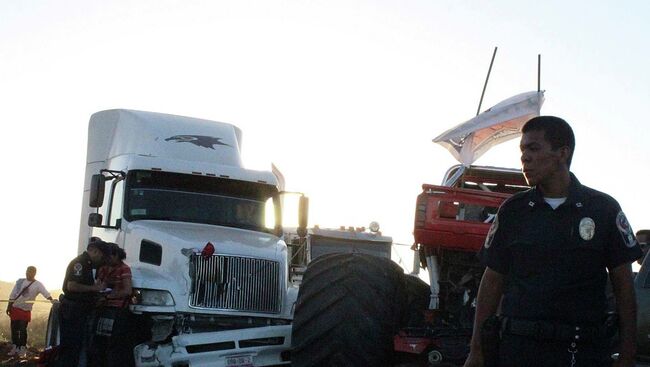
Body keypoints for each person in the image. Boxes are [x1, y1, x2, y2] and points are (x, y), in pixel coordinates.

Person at [463, 116, 643, 367]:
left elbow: (624, 288)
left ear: (562, 153)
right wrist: (476, 351)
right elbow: (492, 281)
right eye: (522, 150)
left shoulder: (603, 210)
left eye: (533, 148)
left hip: (580, 353)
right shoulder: (513, 211)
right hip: (519, 351)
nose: (524, 157)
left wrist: (627, 356)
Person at [58, 238, 110, 367]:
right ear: (96, 252)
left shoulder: (88, 265)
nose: (102, 261)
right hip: (73, 309)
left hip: (79, 309)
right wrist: (95, 288)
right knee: (71, 346)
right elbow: (72, 286)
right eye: (102, 257)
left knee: (77, 346)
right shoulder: (80, 263)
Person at [89, 243, 134, 367]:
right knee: (98, 342)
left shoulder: (124, 269)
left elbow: (127, 290)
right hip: (102, 307)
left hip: (116, 310)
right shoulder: (103, 268)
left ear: (116, 256)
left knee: (112, 344)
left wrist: (109, 296)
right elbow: (98, 284)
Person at [5, 266, 55, 358]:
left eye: (30, 272)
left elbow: (46, 293)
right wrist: (9, 306)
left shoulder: (38, 284)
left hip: (25, 310)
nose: (28, 273)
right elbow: (12, 294)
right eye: (27, 271)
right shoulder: (20, 282)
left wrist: (52, 300)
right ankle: (15, 347)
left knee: (23, 329)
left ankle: (22, 348)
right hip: (15, 308)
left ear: (34, 273)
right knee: (14, 329)